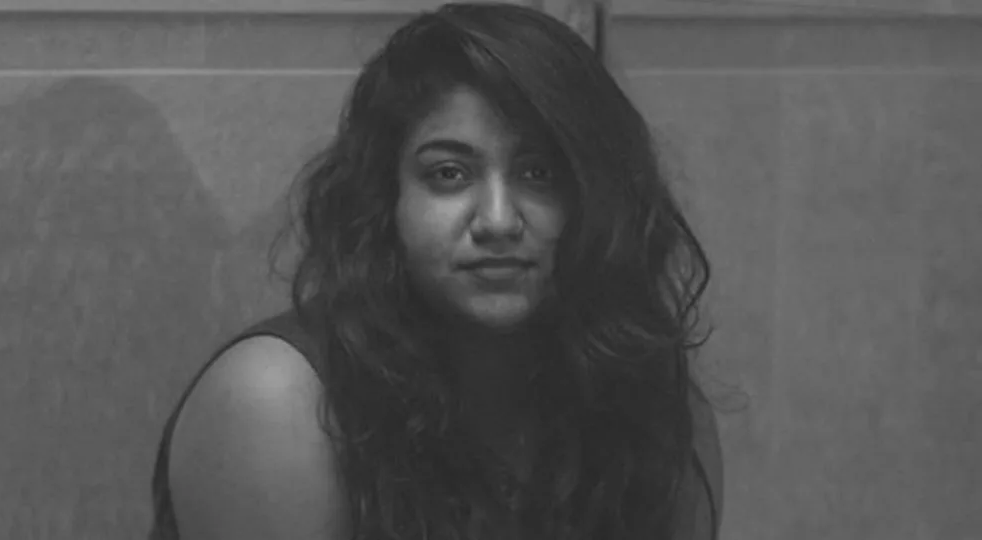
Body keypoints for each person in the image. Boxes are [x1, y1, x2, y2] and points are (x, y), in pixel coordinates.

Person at [149, 2, 722, 539]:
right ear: (386, 200)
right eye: (449, 174)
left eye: (539, 174)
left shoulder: (645, 393)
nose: (498, 221)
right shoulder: (278, 401)